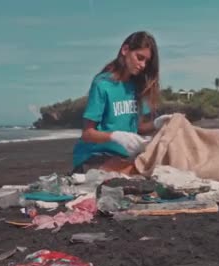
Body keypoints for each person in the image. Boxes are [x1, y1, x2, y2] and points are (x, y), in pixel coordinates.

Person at [71, 31, 172, 174]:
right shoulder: (103, 84)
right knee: (141, 172)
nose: (143, 65)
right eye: (140, 58)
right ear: (125, 50)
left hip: (124, 156)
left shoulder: (137, 87)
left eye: (146, 62)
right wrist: (116, 136)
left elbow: (138, 127)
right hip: (94, 156)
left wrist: (157, 123)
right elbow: (88, 133)